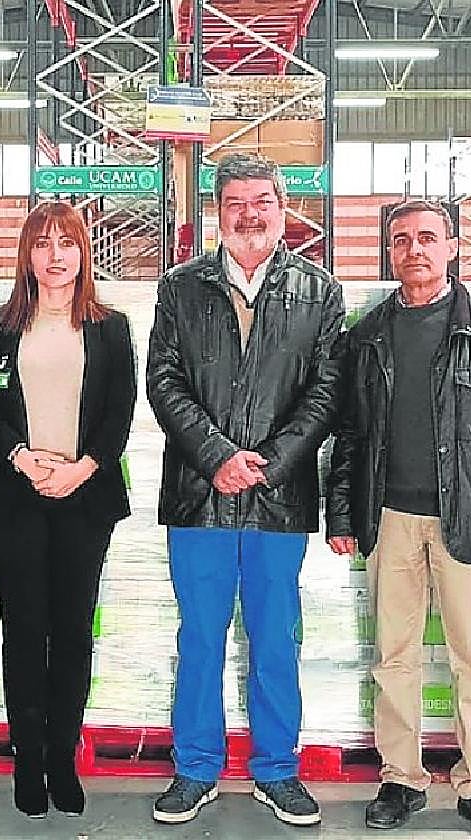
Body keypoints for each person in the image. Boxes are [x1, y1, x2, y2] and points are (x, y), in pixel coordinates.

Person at [326, 199, 471, 840]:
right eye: (401, 240)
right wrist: (343, 511)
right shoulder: (366, 337)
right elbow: (349, 433)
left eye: (427, 238)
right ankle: (401, 778)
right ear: (388, 252)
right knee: (394, 657)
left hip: (470, 522)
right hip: (389, 519)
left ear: (452, 247)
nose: (414, 250)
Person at [146, 153, 345, 826]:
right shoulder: (180, 288)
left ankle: (276, 770)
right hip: (197, 497)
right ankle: (195, 768)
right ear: (217, 212)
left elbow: (325, 392)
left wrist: (270, 462)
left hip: (277, 498)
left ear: (283, 208)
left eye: (262, 200)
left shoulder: (318, 292)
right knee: (200, 635)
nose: (250, 213)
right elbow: (164, 381)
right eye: (236, 202)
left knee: (274, 635)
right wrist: (217, 457)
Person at [0, 201, 136, 818]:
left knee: (71, 632)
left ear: (83, 253)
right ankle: (28, 759)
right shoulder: (1, 327)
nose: (56, 255)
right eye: (43, 243)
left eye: (67, 242)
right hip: (16, 499)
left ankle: (62, 757)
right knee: (24, 630)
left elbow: (120, 409)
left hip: (84, 499)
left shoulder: (111, 327)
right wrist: (19, 455)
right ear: (27, 254)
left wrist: (83, 468)